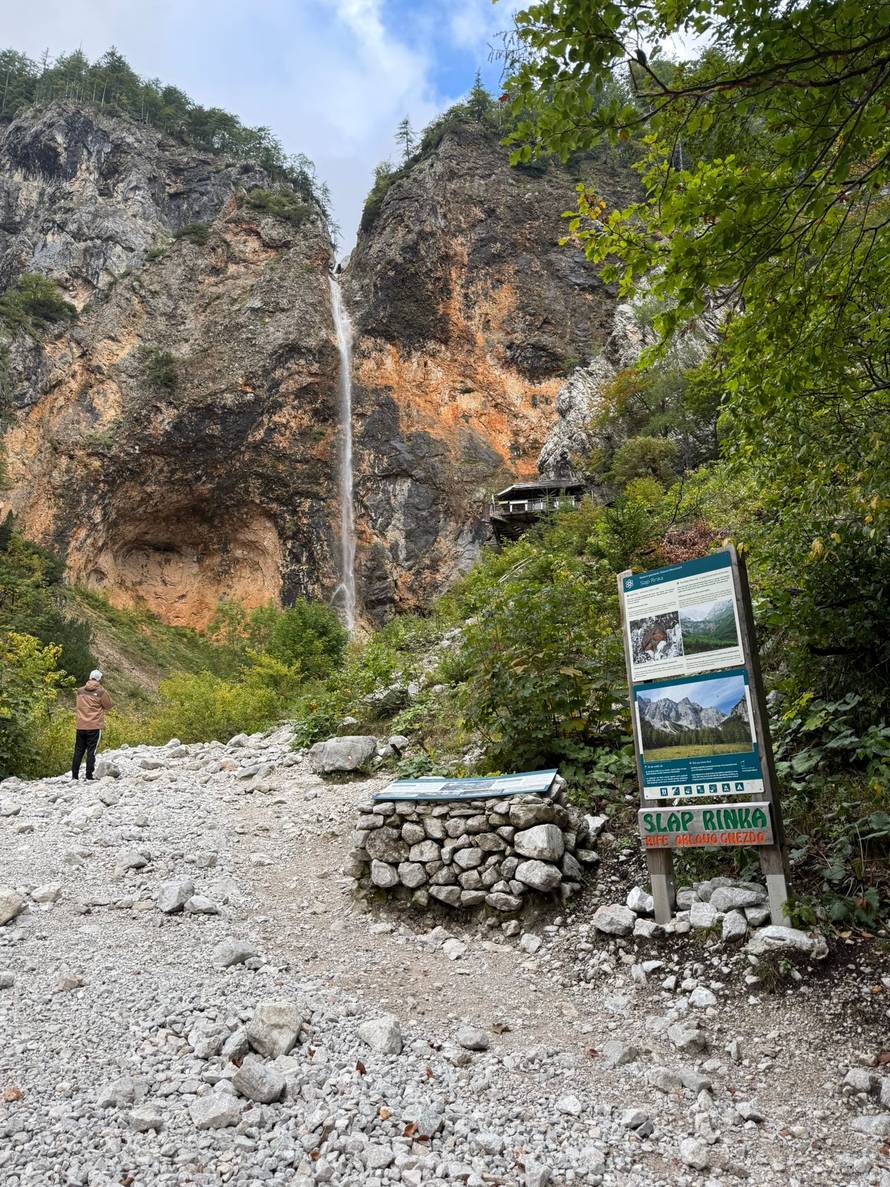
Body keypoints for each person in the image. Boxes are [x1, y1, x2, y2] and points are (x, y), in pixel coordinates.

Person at [72, 669, 112, 781]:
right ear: (99, 679)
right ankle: (89, 775)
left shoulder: (79, 691)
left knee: (78, 750)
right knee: (91, 751)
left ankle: (74, 776)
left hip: (80, 725)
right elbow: (108, 706)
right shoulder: (101, 692)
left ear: (89, 677)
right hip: (94, 725)